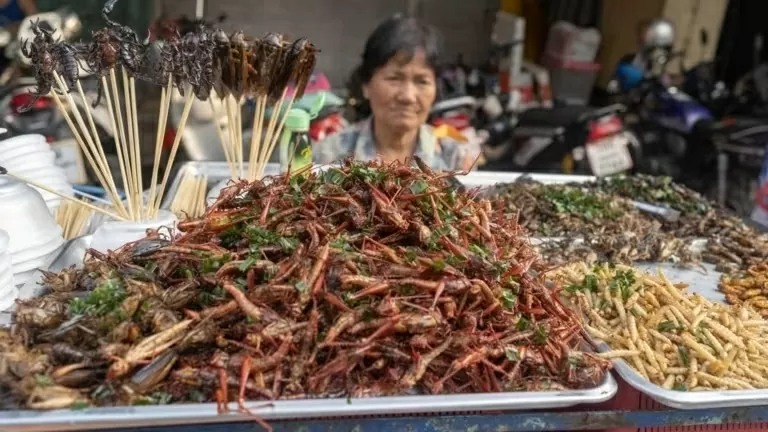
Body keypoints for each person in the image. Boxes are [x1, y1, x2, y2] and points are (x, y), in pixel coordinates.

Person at [315, 16, 475, 171]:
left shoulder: (455, 160)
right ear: (366, 85)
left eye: (422, 81)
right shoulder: (328, 157)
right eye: (394, 78)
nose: (408, 96)